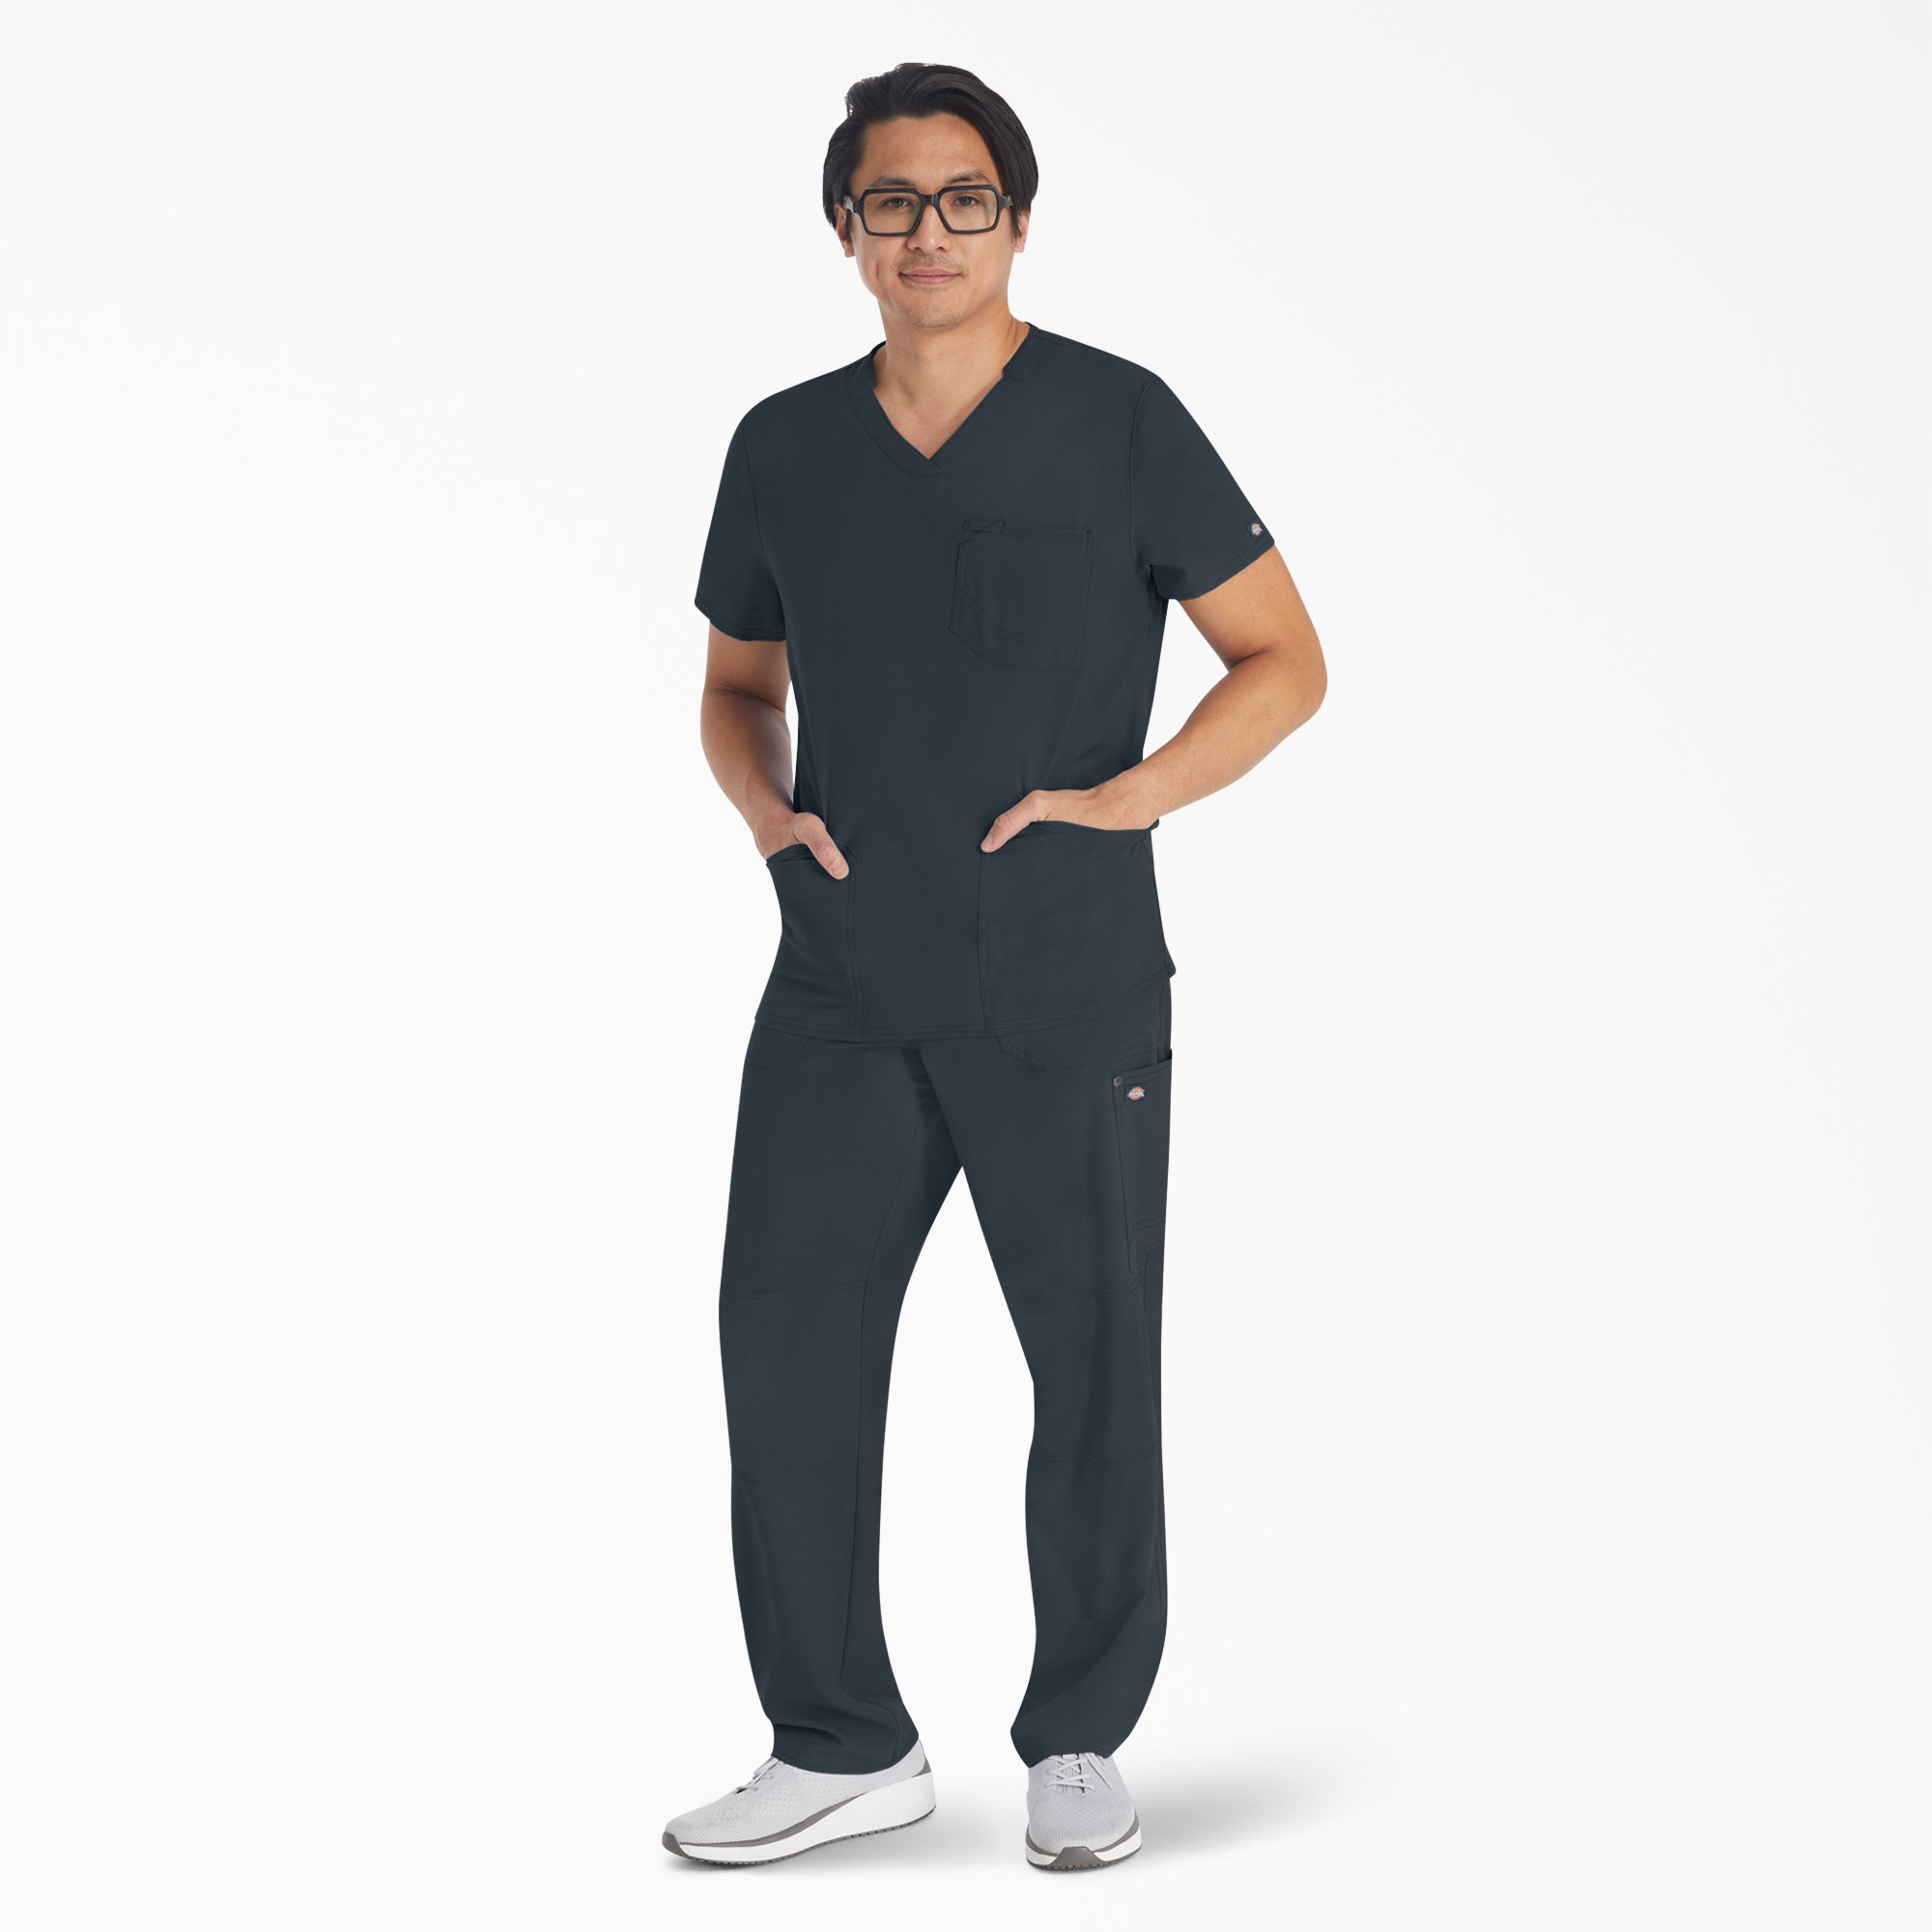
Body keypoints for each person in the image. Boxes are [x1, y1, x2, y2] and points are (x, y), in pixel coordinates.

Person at [664, 62, 1326, 1870]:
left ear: (1017, 220)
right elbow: (734, 685)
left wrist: (1132, 797)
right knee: (786, 1350)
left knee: (1092, 1359)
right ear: (845, 228)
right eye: (892, 201)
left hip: (1064, 980)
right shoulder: (784, 446)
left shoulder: (1120, 421)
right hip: (840, 983)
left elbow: (1282, 657)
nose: (930, 231)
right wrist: (764, 813)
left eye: (965, 198)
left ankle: (1080, 1741)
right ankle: (839, 1742)